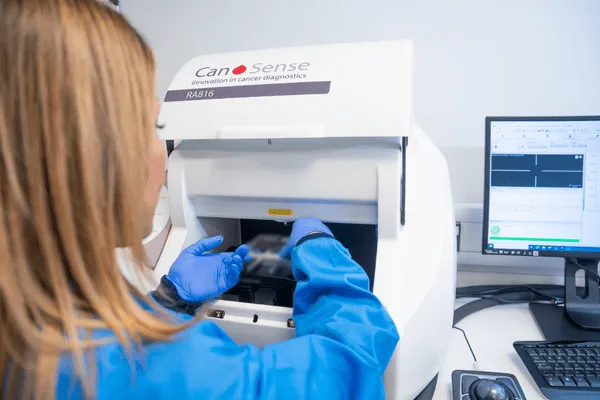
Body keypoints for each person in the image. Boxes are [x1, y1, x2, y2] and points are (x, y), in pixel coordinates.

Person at [0, 0, 399, 399]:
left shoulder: (25, 334)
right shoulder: (178, 371)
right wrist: (326, 260)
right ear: (95, 157)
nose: (163, 154)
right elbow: (342, 372)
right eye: (152, 126)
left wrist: (167, 301)